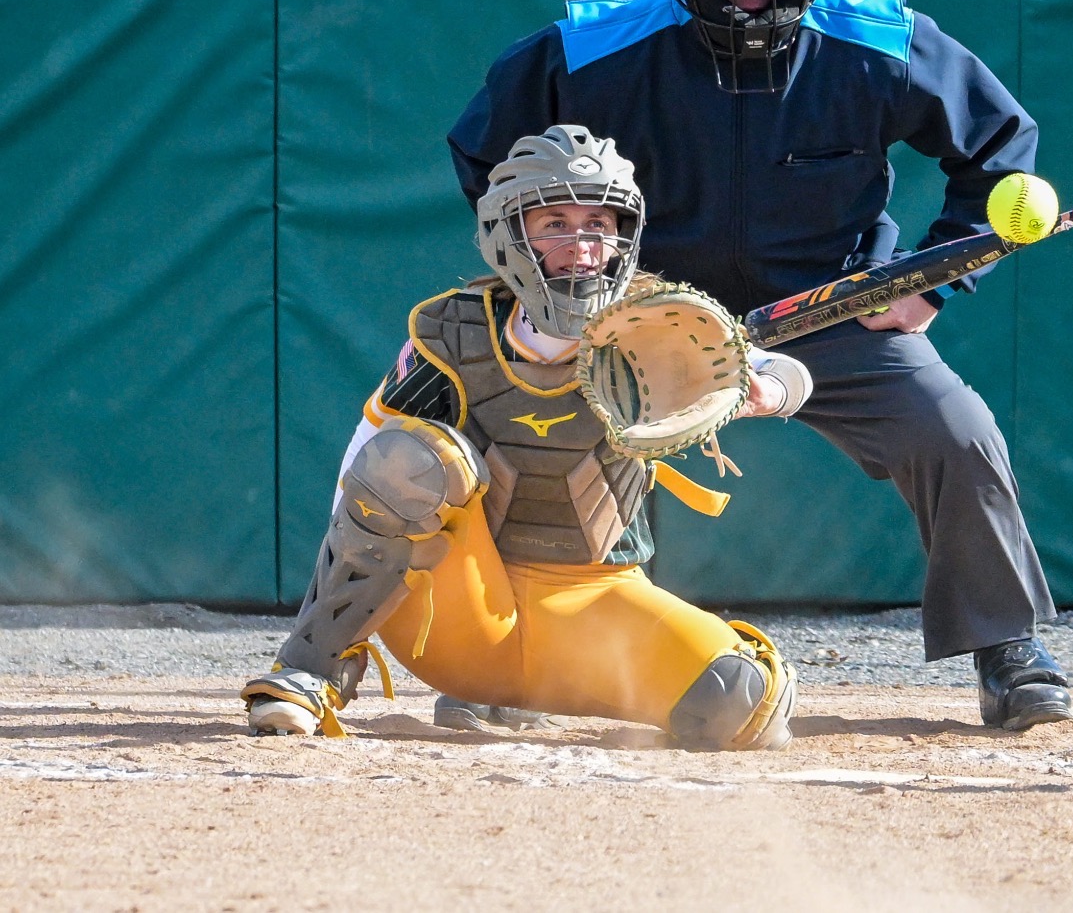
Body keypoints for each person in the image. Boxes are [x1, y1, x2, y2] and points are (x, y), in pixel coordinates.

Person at [445, 0, 1073, 731]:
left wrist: (935, 280)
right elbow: (486, 155)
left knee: (955, 430)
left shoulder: (873, 37)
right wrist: (571, 282)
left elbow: (999, 147)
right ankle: (510, 661)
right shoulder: (597, 44)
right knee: (541, 437)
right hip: (644, 320)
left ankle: (1007, 648)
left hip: (832, 308)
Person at [242, 126, 810, 747]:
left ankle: (518, 695)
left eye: (599, 223)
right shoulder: (454, 331)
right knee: (411, 458)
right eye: (555, 223)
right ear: (508, 233)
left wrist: (766, 388)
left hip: (591, 602)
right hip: (457, 604)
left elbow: (789, 374)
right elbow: (369, 457)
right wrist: (339, 590)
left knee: (739, 701)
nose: (582, 245)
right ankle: (310, 672)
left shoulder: (662, 320)